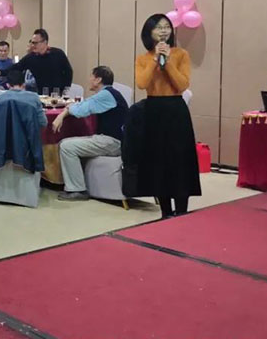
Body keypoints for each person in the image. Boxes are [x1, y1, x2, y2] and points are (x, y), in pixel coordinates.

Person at [135, 13, 201, 219]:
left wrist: (168, 62)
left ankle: (181, 210)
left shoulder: (181, 54)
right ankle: (165, 212)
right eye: (158, 27)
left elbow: (182, 84)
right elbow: (142, 83)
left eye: (167, 27)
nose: (163, 31)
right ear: (149, 33)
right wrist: (155, 60)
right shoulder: (143, 58)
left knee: (179, 159)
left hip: (175, 110)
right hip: (154, 110)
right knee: (158, 160)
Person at [52, 66, 128, 201]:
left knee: (66, 146)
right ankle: (76, 183)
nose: (89, 79)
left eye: (91, 76)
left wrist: (62, 114)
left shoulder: (105, 95)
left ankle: (77, 189)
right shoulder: (110, 93)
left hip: (112, 142)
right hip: (113, 139)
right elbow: (84, 104)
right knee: (70, 143)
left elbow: (81, 109)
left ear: (98, 80)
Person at [13, 29, 73, 94]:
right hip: (41, 94)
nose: (33, 45)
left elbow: (68, 71)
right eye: (32, 43)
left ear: (45, 42)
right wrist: (3, 73)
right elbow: (16, 68)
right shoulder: (30, 57)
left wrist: (65, 89)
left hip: (58, 94)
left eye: (35, 43)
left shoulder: (58, 54)